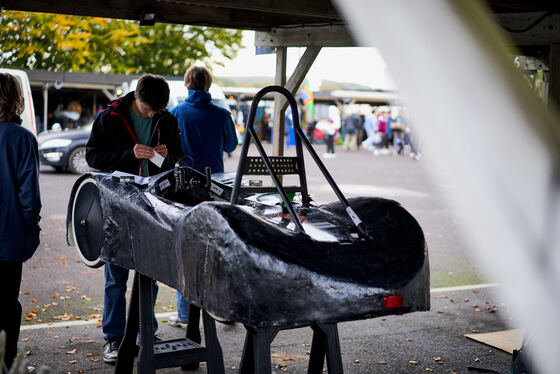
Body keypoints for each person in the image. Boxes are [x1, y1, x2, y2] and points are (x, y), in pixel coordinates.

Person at [85, 74, 184, 364]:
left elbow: (179, 158)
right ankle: (113, 338)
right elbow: (93, 157)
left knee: (150, 274)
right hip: (116, 205)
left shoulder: (166, 119)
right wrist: (129, 153)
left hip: (154, 205)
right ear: (136, 97)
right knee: (115, 276)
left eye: (158, 110)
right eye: (148, 109)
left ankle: (145, 331)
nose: (153, 114)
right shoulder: (110, 117)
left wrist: (169, 156)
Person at [169, 65, 237, 327]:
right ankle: (224, 309)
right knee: (217, 247)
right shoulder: (221, 114)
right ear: (208, 84)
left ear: (187, 83)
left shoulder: (176, 113)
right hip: (214, 187)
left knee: (186, 248)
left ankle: (185, 314)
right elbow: (231, 145)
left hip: (184, 189)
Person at [0, 73, 42, 370]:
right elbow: (29, 195)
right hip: (8, 237)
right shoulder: (23, 139)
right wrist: (32, 230)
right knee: (6, 305)